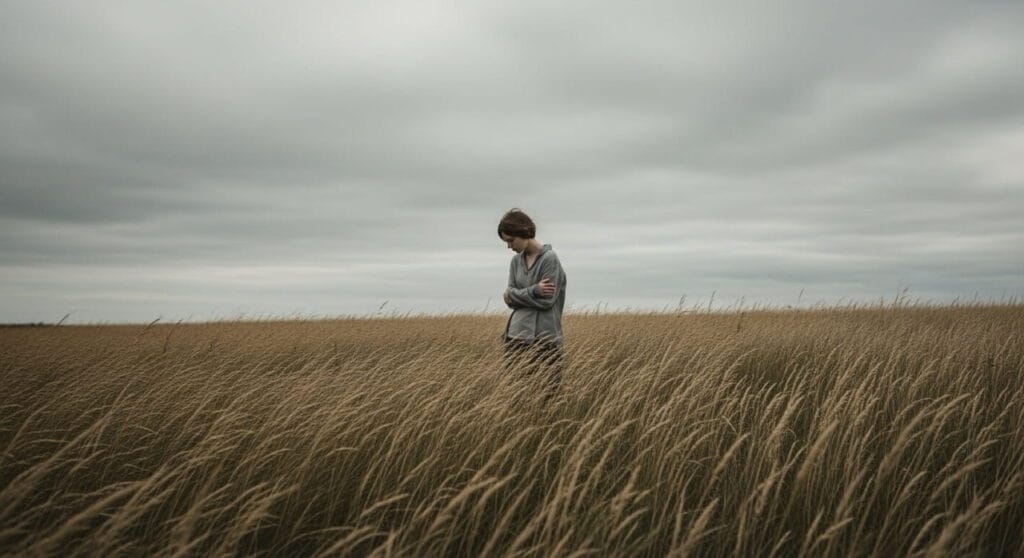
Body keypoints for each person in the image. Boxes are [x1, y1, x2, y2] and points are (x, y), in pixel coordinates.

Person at [498, 208, 567, 402]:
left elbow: (547, 301)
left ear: (524, 232)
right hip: (515, 335)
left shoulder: (549, 259)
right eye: (506, 242)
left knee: (549, 396)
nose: (509, 246)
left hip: (545, 336)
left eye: (511, 240)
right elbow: (508, 297)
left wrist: (517, 295)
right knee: (518, 395)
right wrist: (534, 290)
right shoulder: (515, 262)